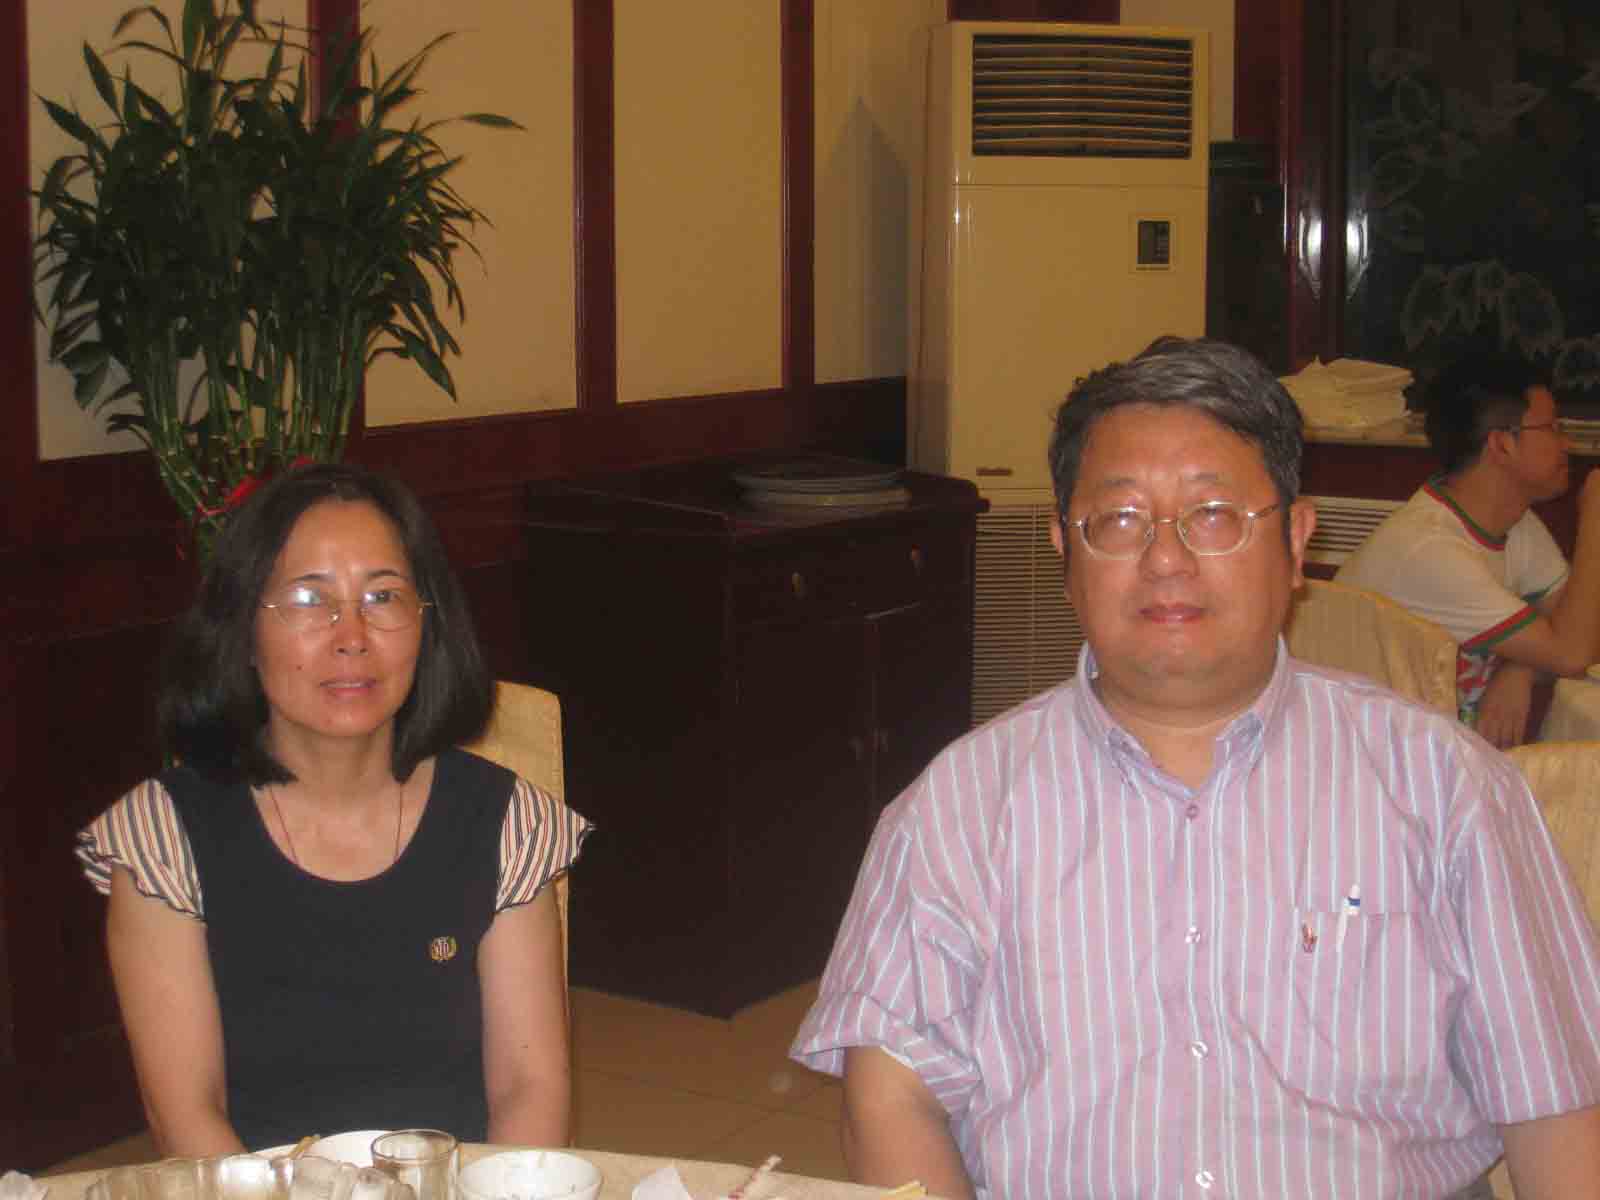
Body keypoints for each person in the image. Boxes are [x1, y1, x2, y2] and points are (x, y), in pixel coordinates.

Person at [790, 337, 1600, 1200]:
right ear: (1066, 553)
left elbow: (1556, 1101)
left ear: (1295, 541)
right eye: (1120, 520)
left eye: (1214, 514)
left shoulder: (1447, 786)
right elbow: (890, 1099)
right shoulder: (957, 807)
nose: (1166, 558)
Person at [76, 463, 590, 1154]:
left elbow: (531, 1090)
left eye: (383, 596)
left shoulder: (508, 823)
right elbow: (185, 1116)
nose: (352, 635)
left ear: (427, 624)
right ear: (243, 630)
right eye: (309, 599)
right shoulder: (161, 838)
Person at [1338, 352, 1600, 747]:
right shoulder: (1431, 550)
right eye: (1552, 427)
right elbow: (1572, 653)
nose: (1566, 443)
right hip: (1366, 755)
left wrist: (1521, 667)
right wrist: (1595, 515)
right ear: (1502, 444)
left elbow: (1581, 631)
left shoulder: (1514, 522)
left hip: (1430, 750)